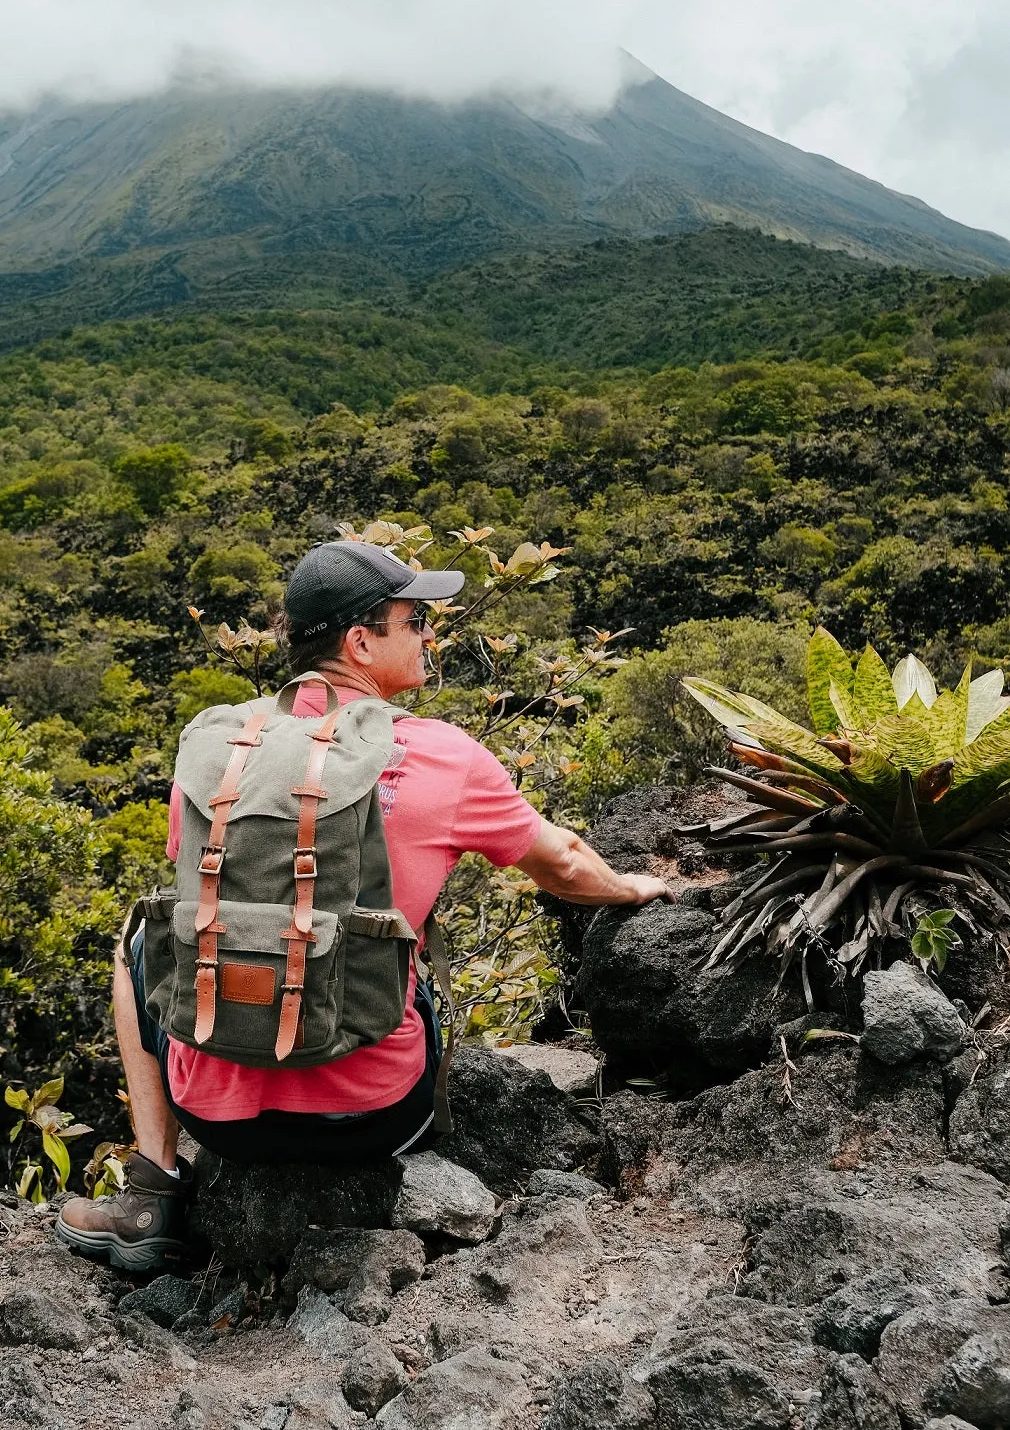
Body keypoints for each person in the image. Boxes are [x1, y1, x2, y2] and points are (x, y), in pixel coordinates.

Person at [56, 538, 669, 1272]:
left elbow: (203, 903)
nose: (430, 634)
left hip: (217, 1121)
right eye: (415, 620)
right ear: (360, 641)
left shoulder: (223, 747)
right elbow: (563, 864)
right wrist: (635, 887)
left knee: (137, 935)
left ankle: (153, 1184)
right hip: (373, 1116)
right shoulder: (441, 753)